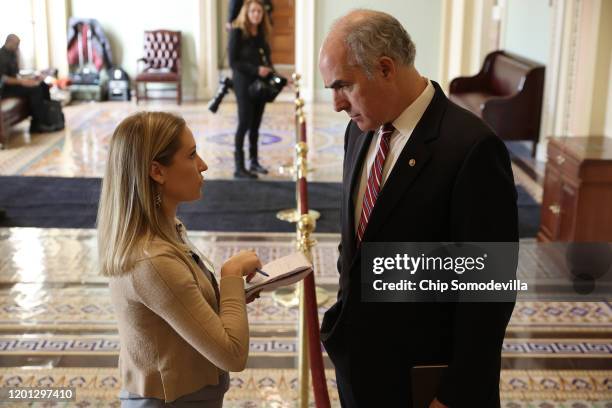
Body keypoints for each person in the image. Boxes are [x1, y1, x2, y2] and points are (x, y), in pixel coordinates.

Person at [318, 10, 518, 408]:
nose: (337, 103)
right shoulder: (358, 133)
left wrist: (455, 392)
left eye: (344, 86)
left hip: (425, 380)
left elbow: (489, 290)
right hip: (360, 369)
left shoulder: (472, 148)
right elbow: (356, 243)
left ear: (386, 68)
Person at [97, 111, 263, 407]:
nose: (203, 165)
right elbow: (233, 355)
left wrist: (226, 297)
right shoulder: (152, 261)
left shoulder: (165, 230)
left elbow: (178, 306)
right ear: (157, 171)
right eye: (192, 155)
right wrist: (231, 273)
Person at [228, 0, 273, 179]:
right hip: (243, 82)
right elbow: (233, 62)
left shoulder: (261, 34)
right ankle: (239, 167)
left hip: (260, 85)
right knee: (244, 122)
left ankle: (253, 162)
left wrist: (278, 79)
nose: (256, 15)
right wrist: (255, 70)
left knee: (255, 125)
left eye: (259, 12)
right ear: (246, 12)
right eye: (253, 11)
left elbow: (267, 62)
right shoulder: (237, 31)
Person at [0, 34, 54, 133]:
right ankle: (37, 124)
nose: (18, 47)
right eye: (16, 44)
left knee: (42, 85)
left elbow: (15, 74)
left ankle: (49, 115)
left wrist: (31, 78)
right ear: (9, 42)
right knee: (35, 90)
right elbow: (4, 79)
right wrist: (23, 82)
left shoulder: (12, 54)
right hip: (6, 89)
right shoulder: (1, 56)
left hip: (14, 84)